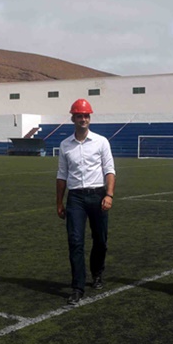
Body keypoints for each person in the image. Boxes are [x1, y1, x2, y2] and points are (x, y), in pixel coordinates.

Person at [56, 98, 115, 305]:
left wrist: (109, 195)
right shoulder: (65, 145)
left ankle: (97, 272)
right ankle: (77, 287)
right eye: (79, 115)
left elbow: (109, 170)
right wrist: (59, 202)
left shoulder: (101, 142)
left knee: (100, 240)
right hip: (76, 198)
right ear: (73, 118)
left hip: (98, 195)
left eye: (86, 115)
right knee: (75, 242)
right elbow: (62, 175)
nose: (83, 119)